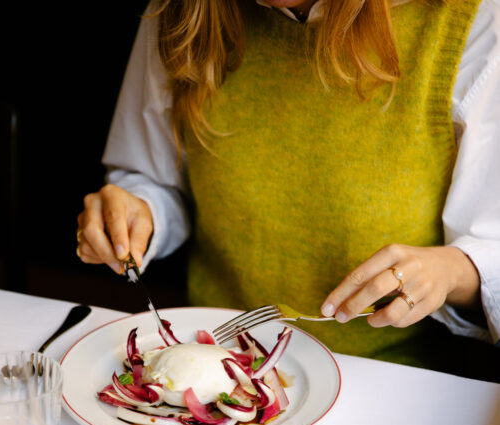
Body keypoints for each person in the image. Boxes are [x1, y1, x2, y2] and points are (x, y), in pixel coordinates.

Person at [76, 0, 500, 373]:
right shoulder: (185, 11)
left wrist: (453, 270)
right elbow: (153, 181)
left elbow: (490, 254)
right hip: (211, 363)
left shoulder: (473, 20)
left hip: (393, 381)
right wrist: (138, 211)